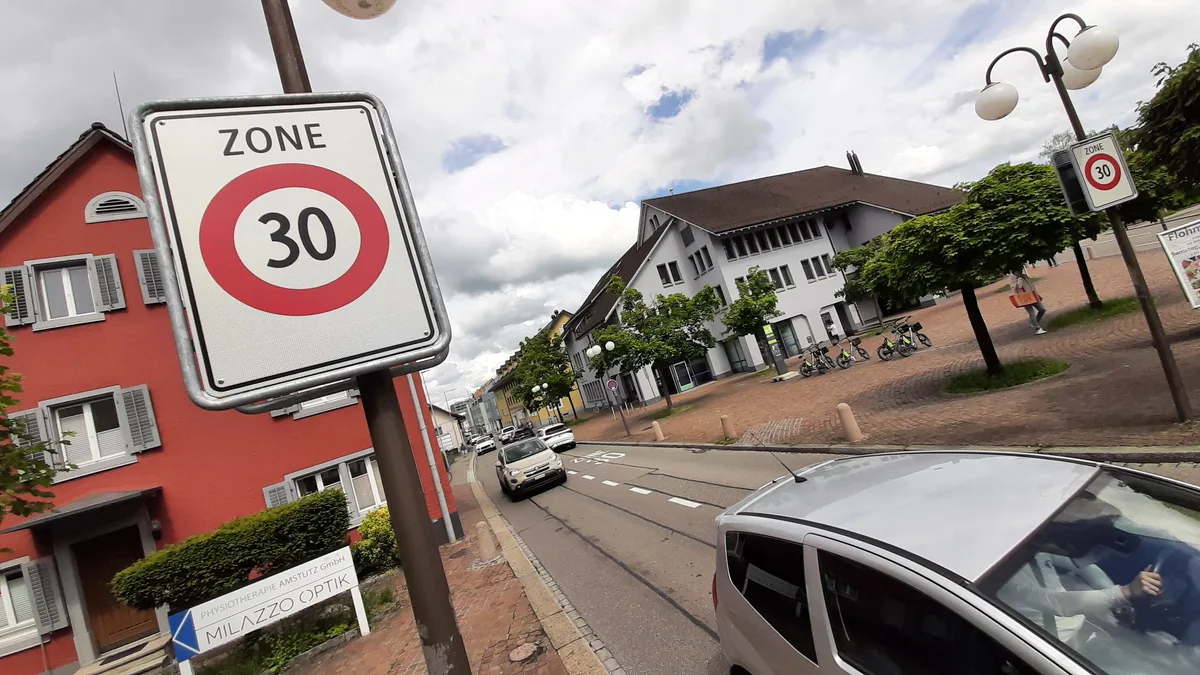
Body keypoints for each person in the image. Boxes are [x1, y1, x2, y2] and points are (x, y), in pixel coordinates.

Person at [1011, 270, 1047, 335]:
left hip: (1033, 296)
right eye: (1017, 270)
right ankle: (1037, 329)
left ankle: (1034, 323)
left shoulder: (1024, 276)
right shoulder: (1014, 279)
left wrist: (1037, 295)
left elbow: (1032, 286)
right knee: (1031, 313)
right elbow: (1019, 286)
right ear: (1014, 272)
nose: (1020, 271)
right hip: (1024, 298)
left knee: (1042, 309)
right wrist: (1020, 278)